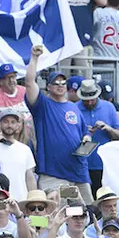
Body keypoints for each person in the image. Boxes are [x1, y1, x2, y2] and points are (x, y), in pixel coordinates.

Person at [25, 48, 92, 203]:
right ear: (48, 87)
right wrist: (34, 57)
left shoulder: (74, 107)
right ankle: (36, 227)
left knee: (86, 214)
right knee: (49, 214)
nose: (60, 85)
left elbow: (84, 132)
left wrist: (87, 138)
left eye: (63, 82)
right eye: (56, 83)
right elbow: (29, 83)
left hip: (78, 172)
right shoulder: (43, 105)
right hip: (53, 173)